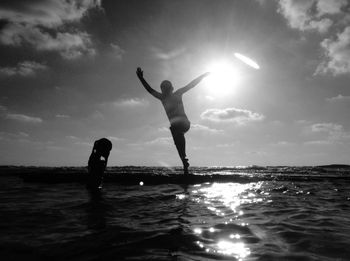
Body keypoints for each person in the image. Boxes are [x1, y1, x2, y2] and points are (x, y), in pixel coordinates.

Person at [136, 67, 210, 174]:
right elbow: (149, 90)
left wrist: (203, 76)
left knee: (176, 131)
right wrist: (141, 78)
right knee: (177, 139)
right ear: (162, 90)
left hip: (184, 124)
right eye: (163, 88)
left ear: (171, 88)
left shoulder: (178, 93)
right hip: (176, 128)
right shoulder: (162, 97)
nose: (164, 90)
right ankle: (184, 162)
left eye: (166, 87)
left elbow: (191, 84)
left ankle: (184, 158)